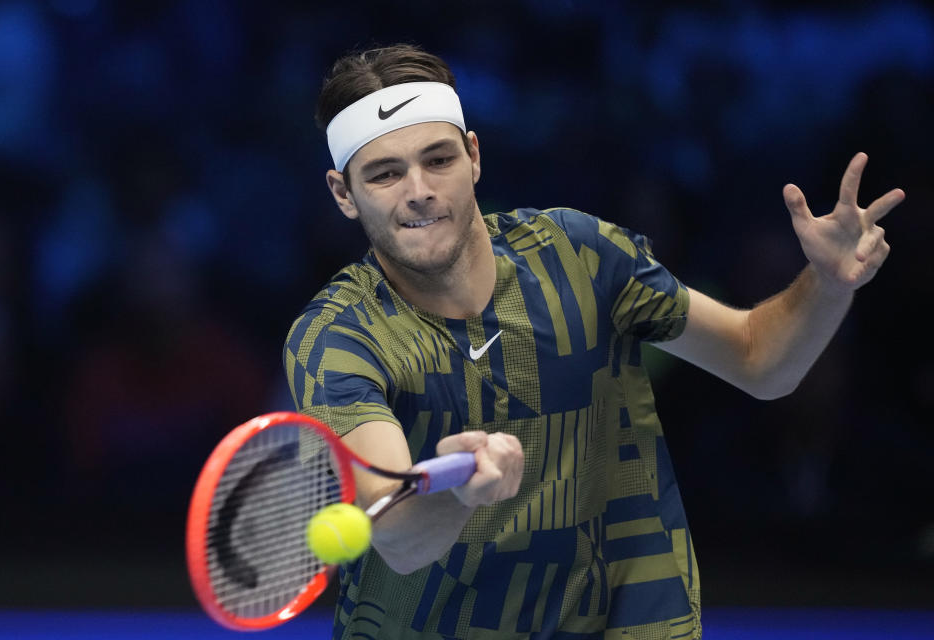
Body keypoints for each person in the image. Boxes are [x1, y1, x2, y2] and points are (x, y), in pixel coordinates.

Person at [284, 44, 903, 640]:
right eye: (385, 173)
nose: (418, 189)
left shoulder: (580, 254)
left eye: (438, 159)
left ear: (474, 156)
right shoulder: (339, 336)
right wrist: (463, 496)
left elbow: (759, 361)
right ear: (344, 193)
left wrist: (826, 284)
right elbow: (396, 533)